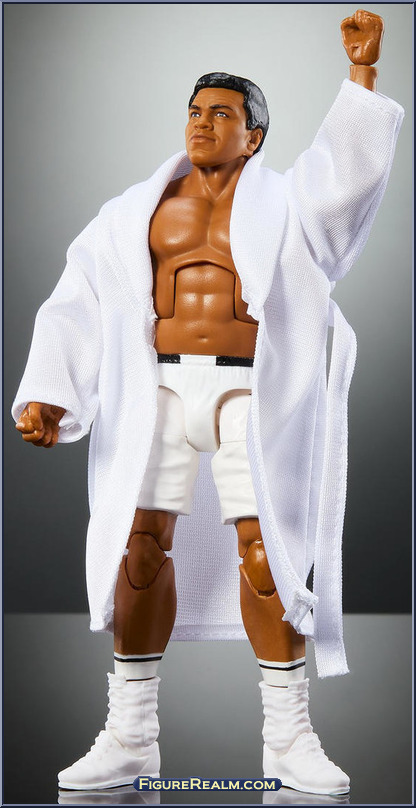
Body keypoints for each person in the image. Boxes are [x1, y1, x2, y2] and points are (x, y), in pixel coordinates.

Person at [13, 9, 403, 796]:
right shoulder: (137, 210)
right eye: (195, 110)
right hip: (157, 386)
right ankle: (130, 737)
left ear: (252, 136)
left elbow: (344, 184)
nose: (201, 123)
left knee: (269, 553)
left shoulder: (285, 204)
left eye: (221, 114)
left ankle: (288, 739)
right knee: (138, 547)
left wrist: (361, 77)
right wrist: (52, 389)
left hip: (247, 392)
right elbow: (81, 291)